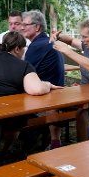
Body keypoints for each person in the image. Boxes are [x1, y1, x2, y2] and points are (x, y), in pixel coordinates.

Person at [0, 31, 61, 102]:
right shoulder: (24, 66)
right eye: (24, 48)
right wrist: (48, 84)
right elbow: (37, 89)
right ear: (17, 49)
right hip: (5, 122)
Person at [21, 10, 65, 149]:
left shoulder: (37, 46)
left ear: (37, 27)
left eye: (26, 25)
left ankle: (22, 142)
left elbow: (23, 72)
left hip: (47, 96)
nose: (22, 27)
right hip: (57, 92)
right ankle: (53, 140)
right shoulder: (47, 41)